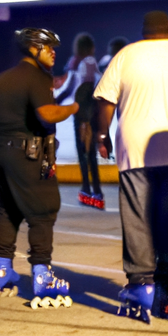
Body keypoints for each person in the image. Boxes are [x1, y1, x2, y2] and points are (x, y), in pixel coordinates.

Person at [94, 10, 168, 323]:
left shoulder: (126, 56)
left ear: (144, 30)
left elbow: (105, 102)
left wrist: (101, 136)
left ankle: (140, 286)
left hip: (135, 149)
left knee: (137, 218)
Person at [0, 28, 78, 307]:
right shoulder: (38, 78)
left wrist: (9, 109)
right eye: (48, 47)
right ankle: (42, 276)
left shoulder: (3, 78)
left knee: (9, 208)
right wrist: (74, 108)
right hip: (27, 153)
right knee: (43, 210)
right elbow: (47, 114)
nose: (54, 52)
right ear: (33, 49)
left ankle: (3, 270)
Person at [55, 33, 103, 209]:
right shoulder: (91, 62)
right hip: (92, 111)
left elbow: (70, 88)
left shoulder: (75, 62)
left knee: (83, 151)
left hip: (79, 111)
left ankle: (87, 188)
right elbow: (96, 85)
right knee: (91, 153)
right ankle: (95, 191)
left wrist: (57, 101)